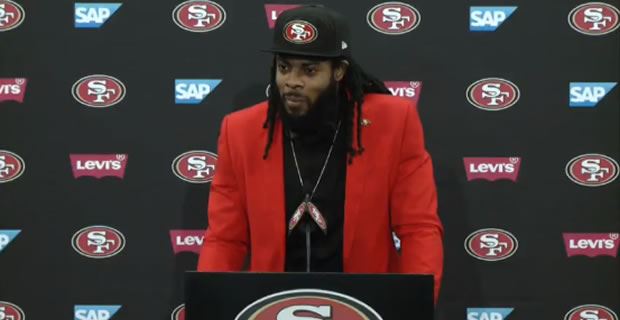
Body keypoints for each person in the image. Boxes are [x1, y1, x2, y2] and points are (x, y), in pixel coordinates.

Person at [197, 5, 444, 301]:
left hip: (365, 305)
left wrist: (413, 306)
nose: (292, 82)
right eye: (284, 67)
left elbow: (419, 229)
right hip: (273, 305)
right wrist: (203, 308)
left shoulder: (393, 123)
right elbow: (225, 239)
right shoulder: (241, 131)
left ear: (339, 71)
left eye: (309, 70)